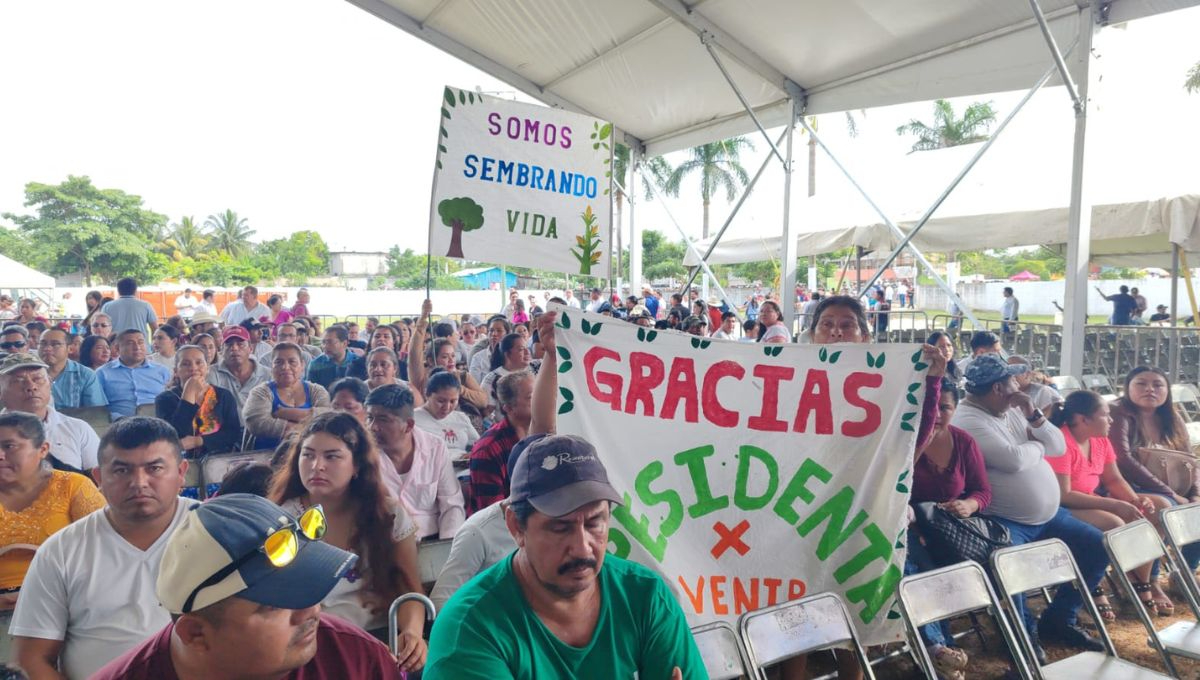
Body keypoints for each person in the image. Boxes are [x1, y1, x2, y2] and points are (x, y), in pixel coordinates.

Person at [424, 432, 704, 679]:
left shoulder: (646, 597)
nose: (582, 548)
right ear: (516, 527)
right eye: (560, 528)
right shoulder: (470, 630)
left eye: (595, 522)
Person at [91, 493, 407, 680]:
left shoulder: (356, 659)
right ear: (196, 634)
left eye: (308, 590)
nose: (312, 610)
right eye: (274, 604)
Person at [10, 417, 195, 679]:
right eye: (122, 470)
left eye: (154, 468)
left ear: (181, 472)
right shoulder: (61, 551)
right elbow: (31, 659)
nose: (139, 482)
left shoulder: (217, 532)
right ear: (98, 477)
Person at [951, 355, 1106, 662]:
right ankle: (1023, 636)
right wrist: (1036, 447)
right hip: (1006, 522)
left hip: (1049, 516)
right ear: (998, 387)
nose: (1018, 385)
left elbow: (1057, 446)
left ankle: (1060, 618)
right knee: (1010, 572)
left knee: (1097, 547)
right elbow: (1013, 460)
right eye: (1012, 380)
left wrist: (1033, 415)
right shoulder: (967, 419)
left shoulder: (1009, 409)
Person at [268, 413, 427, 664]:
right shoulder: (281, 521)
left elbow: (409, 589)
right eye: (307, 454)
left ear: (357, 466)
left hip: (380, 638)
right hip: (313, 643)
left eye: (332, 456)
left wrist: (411, 634)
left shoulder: (388, 514)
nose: (317, 465)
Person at [1048, 389, 1172, 618]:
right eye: (1106, 415)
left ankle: (1138, 582)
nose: (1111, 419)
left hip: (1092, 499)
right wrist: (1115, 505)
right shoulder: (1061, 441)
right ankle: (1093, 585)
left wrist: (1135, 500)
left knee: (1159, 507)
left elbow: (1114, 479)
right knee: (1114, 522)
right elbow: (1063, 495)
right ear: (1083, 419)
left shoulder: (1100, 440)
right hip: (1064, 506)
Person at [0, 412, 107, 655]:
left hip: (67, 605)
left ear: (43, 449)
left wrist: (47, 595)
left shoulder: (72, 486)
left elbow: (105, 549)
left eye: (9, 446)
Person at [905, 380, 987, 680]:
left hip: (952, 534)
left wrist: (970, 505)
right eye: (931, 407)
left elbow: (983, 491)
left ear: (956, 409)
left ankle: (937, 653)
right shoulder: (902, 441)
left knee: (931, 569)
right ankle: (939, 650)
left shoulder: (963, 442)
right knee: (915, 567)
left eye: (946, 407)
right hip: (909, 530)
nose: (938, 413)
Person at [1108, 366, 1200, 573]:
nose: (1150, 389)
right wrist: (1171, 493)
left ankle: (1185, 572)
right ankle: (1150, 577)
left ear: (1167, 391)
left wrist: (1195, 494)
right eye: (1141, 383)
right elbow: (1123, 459)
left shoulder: (1172, 417)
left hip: (1169, 485)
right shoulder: (1117, 413)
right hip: (1127, 485)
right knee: (1166, 506)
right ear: (1127, 388)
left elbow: (1190, 460)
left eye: (1158, 385)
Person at [365, 384, 465, 540]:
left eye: (383, 419)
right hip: (385, 544)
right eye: (370, 418)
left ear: (409, 425)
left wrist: (446, 549)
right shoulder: (363, 455)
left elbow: (451, 504)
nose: (373, 427)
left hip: (432, 539)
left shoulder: (435, 448)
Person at [1, 353, 101, 472]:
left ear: (50, 384)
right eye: (18, 380)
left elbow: (100, 479)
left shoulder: (78, 429)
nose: (31, 386)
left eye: (37, 379)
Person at [155, 345, 243, 456]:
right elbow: (174, 437)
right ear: (176, 371)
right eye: (185, 364)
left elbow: (232, 434)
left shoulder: (223, 396)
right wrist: (188, 394)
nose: (193, 368)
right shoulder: (164, 399)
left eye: (199, 362)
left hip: (219, 459)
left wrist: (198, 441)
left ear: (208, 368)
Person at [244, 343, 332, 451]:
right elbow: (257, 423)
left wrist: (284, 413)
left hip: (309, 454)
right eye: (279, 362)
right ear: (272, 366)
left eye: (292, 362)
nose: (285, 367)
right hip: (265, 455)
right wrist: (305, 424)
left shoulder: (317, 391)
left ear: (302, 365)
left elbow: (326, 418)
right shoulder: (260, 392)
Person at [469, 371, 534, 513]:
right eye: (531, 397)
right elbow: (493, 514)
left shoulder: (549, 436)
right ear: (509, 408)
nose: (542, 399)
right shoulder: (488, 449)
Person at [97, 329, 173, 419]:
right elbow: (98, 407)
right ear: (117, 348)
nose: (137, 347)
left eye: (140, 342)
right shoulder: (102, 373)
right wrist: (118, 418)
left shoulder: (162, 371)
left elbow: (170, 401)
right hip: (118, 425)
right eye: (130, 343)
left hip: (158, 422)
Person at [414, 370, 480, 461]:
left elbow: (479, 445)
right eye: (441, 401)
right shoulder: (413, 420)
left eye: (453, 401)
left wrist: (473, 454)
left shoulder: (461, 418)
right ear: (427, 395)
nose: (447, 407)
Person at [208, 326, 272, 413]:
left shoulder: (268, 375)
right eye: (229, 344)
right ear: (222, 350)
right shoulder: (212, 372)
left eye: (240, 344)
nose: (234, 348)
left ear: (250, 349)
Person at [39, 328, 107, 409]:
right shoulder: (27, 373)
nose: (47, 348)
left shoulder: (85, 375)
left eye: (55, 344)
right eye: (43, 344)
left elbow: (96, 413)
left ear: (69, 348)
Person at [480, 333, 538, 413]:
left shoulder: (536, 367)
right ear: (507, 354)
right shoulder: (492, 379)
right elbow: (487, 413)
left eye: (527, 348)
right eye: (521, 349)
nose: (527, 352)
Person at [305, 325, 367, 390]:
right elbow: (310, 392)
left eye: (330, 342)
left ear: (344, 343)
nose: (325, 346)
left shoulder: (358, 363)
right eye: (323, 342)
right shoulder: (316, 364)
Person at [1008, 355, 1064, 421]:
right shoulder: (1004, 394)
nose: (1009, 375)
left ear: (1027, 374)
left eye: (1014, 371)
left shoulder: (1043, 392)